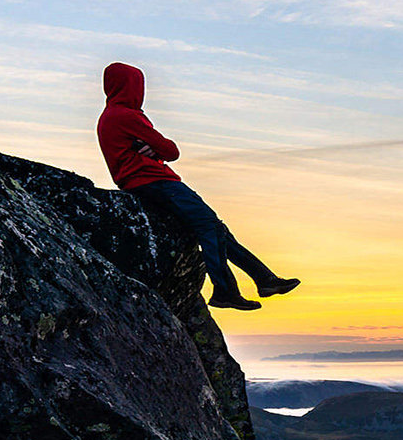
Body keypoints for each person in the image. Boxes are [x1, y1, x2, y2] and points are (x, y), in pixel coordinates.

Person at [97, 62, 299, 310]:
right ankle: (225, 291)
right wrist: (156, 151)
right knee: (209, 226)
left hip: (138, 184)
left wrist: (151, 149)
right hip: (157, 182)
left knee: (219, 233)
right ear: (130, 86)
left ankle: (265, 279)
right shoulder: (128, 116)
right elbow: (171, 151)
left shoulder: (108, 118)